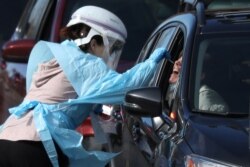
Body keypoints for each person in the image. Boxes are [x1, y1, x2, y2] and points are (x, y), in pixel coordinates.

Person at [0, 5, 168, 167]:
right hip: (35, 145)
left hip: (7, 137)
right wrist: (153, 63)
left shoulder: (59, 58)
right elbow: (128, 85)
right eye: (111, 45)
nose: (111, 52)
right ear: (93, 42)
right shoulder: (86, 62)